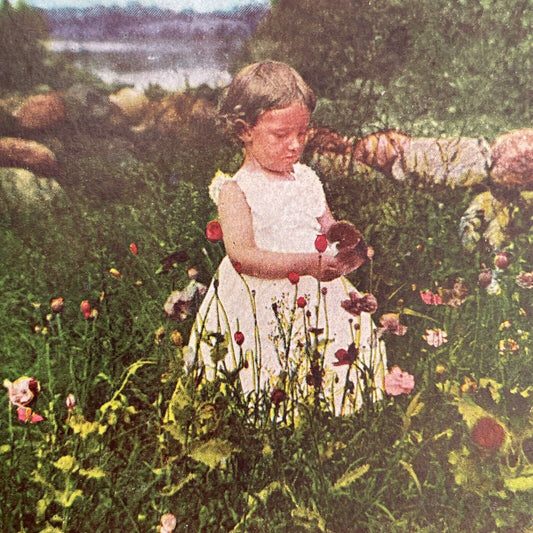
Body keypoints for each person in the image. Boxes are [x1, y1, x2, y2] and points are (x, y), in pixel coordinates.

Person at [183, 61, 385, 416]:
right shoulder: (236, 190)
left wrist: (346, 244)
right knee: (267, 362)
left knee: (326, 349)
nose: (294, 145)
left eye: (302, 134)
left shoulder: (306, 178)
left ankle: (326, 412)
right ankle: (266, 418)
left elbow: (328, 228)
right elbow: (242, 256)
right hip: (260, 295)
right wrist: (307, 263)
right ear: (245, 130)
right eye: (280, 135)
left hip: (315, 289)